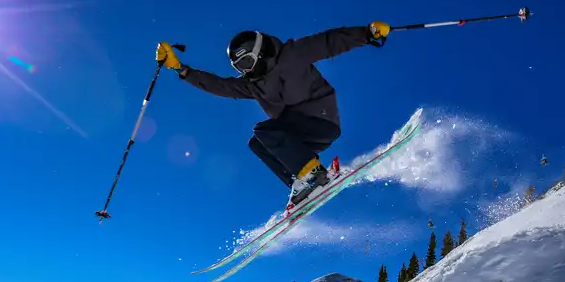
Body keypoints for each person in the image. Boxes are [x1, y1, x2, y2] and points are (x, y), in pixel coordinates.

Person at [155, 20, 391, 210]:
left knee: (264, 130)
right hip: (299, 135)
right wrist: (182, 70)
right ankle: (302, 185)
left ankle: (312, 174)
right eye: (240, 68)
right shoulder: (253, 84)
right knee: (256, 143)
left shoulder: (292, 54)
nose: (246, 71)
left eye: (247, 62)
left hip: (321, 119)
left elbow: (329, 42)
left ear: (259, 52)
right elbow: (221, 86)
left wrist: (367, 33)